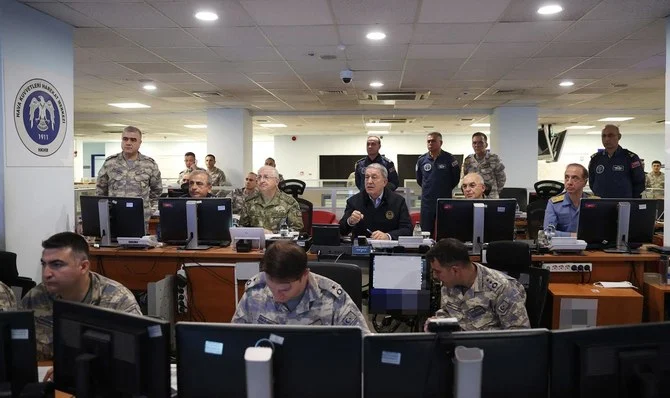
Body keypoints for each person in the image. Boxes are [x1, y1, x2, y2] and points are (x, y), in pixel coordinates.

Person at [22, 232, 141, 360]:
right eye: (44, 264)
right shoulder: (35, 298)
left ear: (83, 267)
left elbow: (136, 356)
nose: (46, 273)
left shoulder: (117, 300)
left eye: (57, 265)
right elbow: (19, 351)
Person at [232, 241, 369, 332]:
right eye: (271, 287)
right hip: (266, 370)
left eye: (285, 289)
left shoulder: (332, 298)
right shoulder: (256, 291)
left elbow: (363, 345)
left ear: (305, 275)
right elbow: (235, 339)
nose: (277, 296)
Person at [424, 238, 530, 331]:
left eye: (437, 271)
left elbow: (519, 334)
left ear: (455, 270)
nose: (434, 276)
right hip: (457, 348)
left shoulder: (503, 288)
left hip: (490, 350)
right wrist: (438, 323)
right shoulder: (449, 284)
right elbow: (447, 312)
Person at [95, 126, 162, 221]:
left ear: (140, 143)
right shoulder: (110, 163)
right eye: (125, 139)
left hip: (140, 217)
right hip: (114, 217)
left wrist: (149, 209)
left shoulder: (149, 164)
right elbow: (100, 190)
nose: (128, 143)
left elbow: (157, 191)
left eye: (133, 140)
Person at [339, 163, 412, 240]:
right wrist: (350, 221)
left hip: (389, 249)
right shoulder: (354, 201)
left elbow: (407, 230)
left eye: (374, 177)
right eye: (367, 177)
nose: (369, 181)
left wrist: (388, 236)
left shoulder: (398, 201)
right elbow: (341, 230)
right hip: (361, 249)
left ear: (384, 182)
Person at [416, 132, 460, 237]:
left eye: (433, 141)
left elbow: (455, 179)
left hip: (444, 200)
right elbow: (419, 179)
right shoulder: (421, 160)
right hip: (427, 201)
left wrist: (444, 188)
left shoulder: (450, 159)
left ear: (441, 142)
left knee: (445, 229)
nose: (430, 143)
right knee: (426, 231)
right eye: (428, 141)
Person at [239, 166, 303, 233]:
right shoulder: (249, 201)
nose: (262, 181)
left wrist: (272, 234)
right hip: (255, 242)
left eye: (266, 177)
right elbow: (242, 227)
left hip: (280, 242)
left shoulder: (289, 203)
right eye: (259, 177)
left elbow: (296, 230)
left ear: (276, 181)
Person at [588, 125, 645, 198]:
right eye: (604, 136)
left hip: (623, 203)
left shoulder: (631, 158)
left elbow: (639, 183)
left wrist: (629, 198)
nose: (607, 139)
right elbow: (592, 182)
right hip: (601, 203)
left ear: (619, 137)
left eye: (610, 135)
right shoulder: (595, 158)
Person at [544, 164, 595, 237]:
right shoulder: (554, 204)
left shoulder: (594, 203)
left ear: (585, 182)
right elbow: (548, 232)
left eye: (575, 178)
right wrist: (574, 236)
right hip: (562, 246)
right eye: (566, 178)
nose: (569, 182)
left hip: (589, 246)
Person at [462, 132, 506, 198]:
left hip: (491, 197)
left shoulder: (494, 158)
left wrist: (494, 191)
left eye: (480, 142)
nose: (477, 145)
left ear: (486, 144)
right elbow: (466, 178)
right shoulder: (468, 160)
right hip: (474, 196)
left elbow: (501, 178)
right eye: (474, 143)